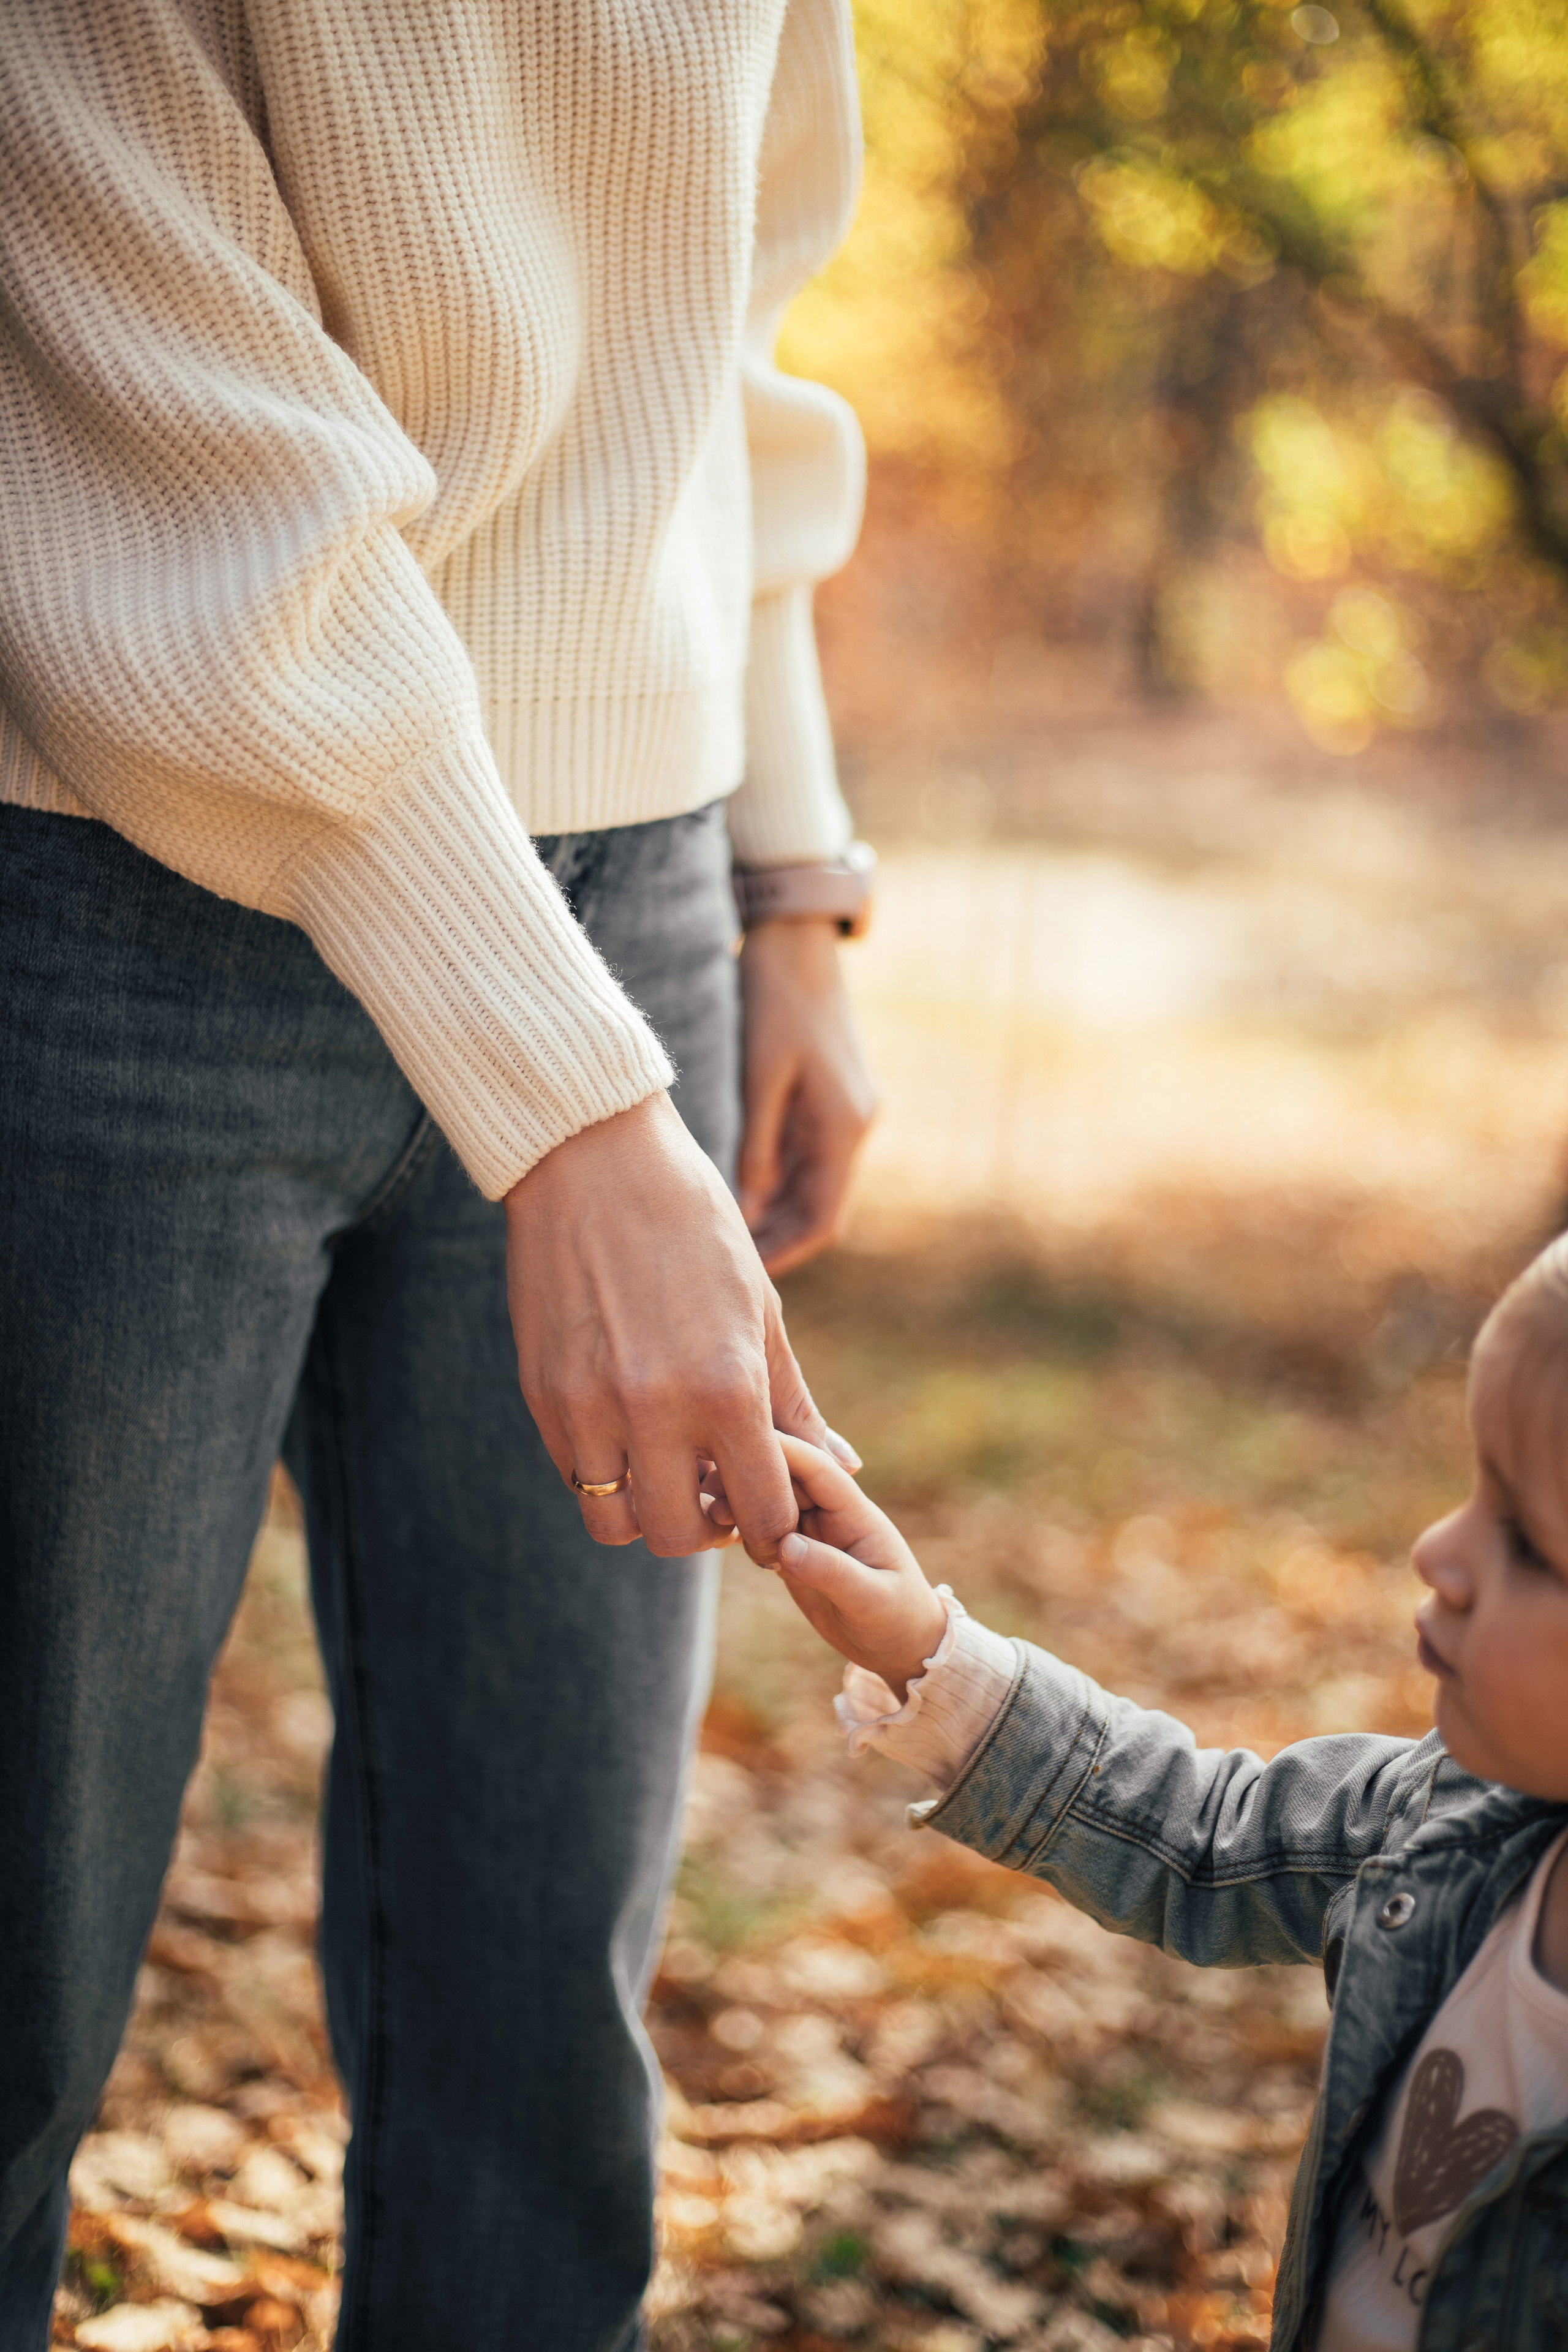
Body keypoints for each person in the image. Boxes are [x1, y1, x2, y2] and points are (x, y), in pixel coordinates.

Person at [0, 4, 875, 2346]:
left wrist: (790, 872)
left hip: (650, 876)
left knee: (541, 2028)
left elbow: (737, 314)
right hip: (109, 891)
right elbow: (158, 439)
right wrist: (578, 1109)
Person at [726, 1238, 1568, 2348]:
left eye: (1528, 1543)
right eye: (1472, 1490)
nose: (1437, 1550)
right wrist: (925, 1652)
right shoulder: (1452, 1821)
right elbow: (1206, 1842)